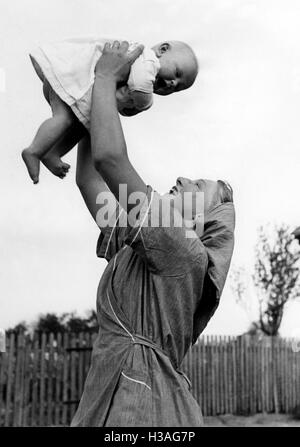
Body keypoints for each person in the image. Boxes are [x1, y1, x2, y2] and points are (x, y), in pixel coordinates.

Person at [69, 41, 235, 426]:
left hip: (145, 407)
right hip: (117, 391)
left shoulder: (182, 248)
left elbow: (110, 159)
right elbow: (89, 176)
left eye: (195, 186)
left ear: (202, 222)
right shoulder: (144, 242)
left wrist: (105, 78)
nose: (180, 179)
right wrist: (89, 101)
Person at [21, 37, 198, 184]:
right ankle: (34, 150)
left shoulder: (139, 76)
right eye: (176, 72)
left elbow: (121, 108)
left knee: (81, 127)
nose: (173, 83)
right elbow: (140, 90)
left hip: (80, 92)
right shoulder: (147, 59)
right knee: (63, 119)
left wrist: (130, 106)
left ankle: (52, 152)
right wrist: (145, 104)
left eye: (177, 88)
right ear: (163, 49)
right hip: (71, 80)